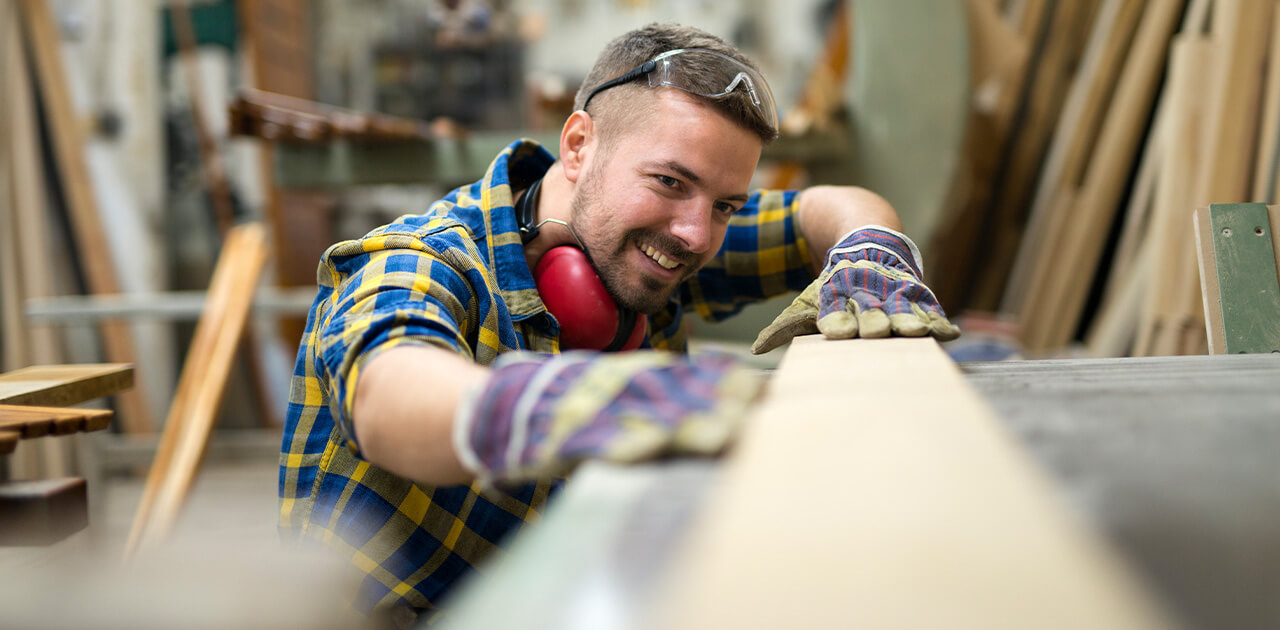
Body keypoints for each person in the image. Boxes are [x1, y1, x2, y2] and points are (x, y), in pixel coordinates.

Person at [278, 22, 959, 621]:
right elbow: (387, 391)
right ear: (577, 146)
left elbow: (836, 205)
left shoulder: (651, 247)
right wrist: (547, 407)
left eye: (726, 205)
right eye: (669, 181)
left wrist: (870, 249)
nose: (695, 234)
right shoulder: (425, 261)